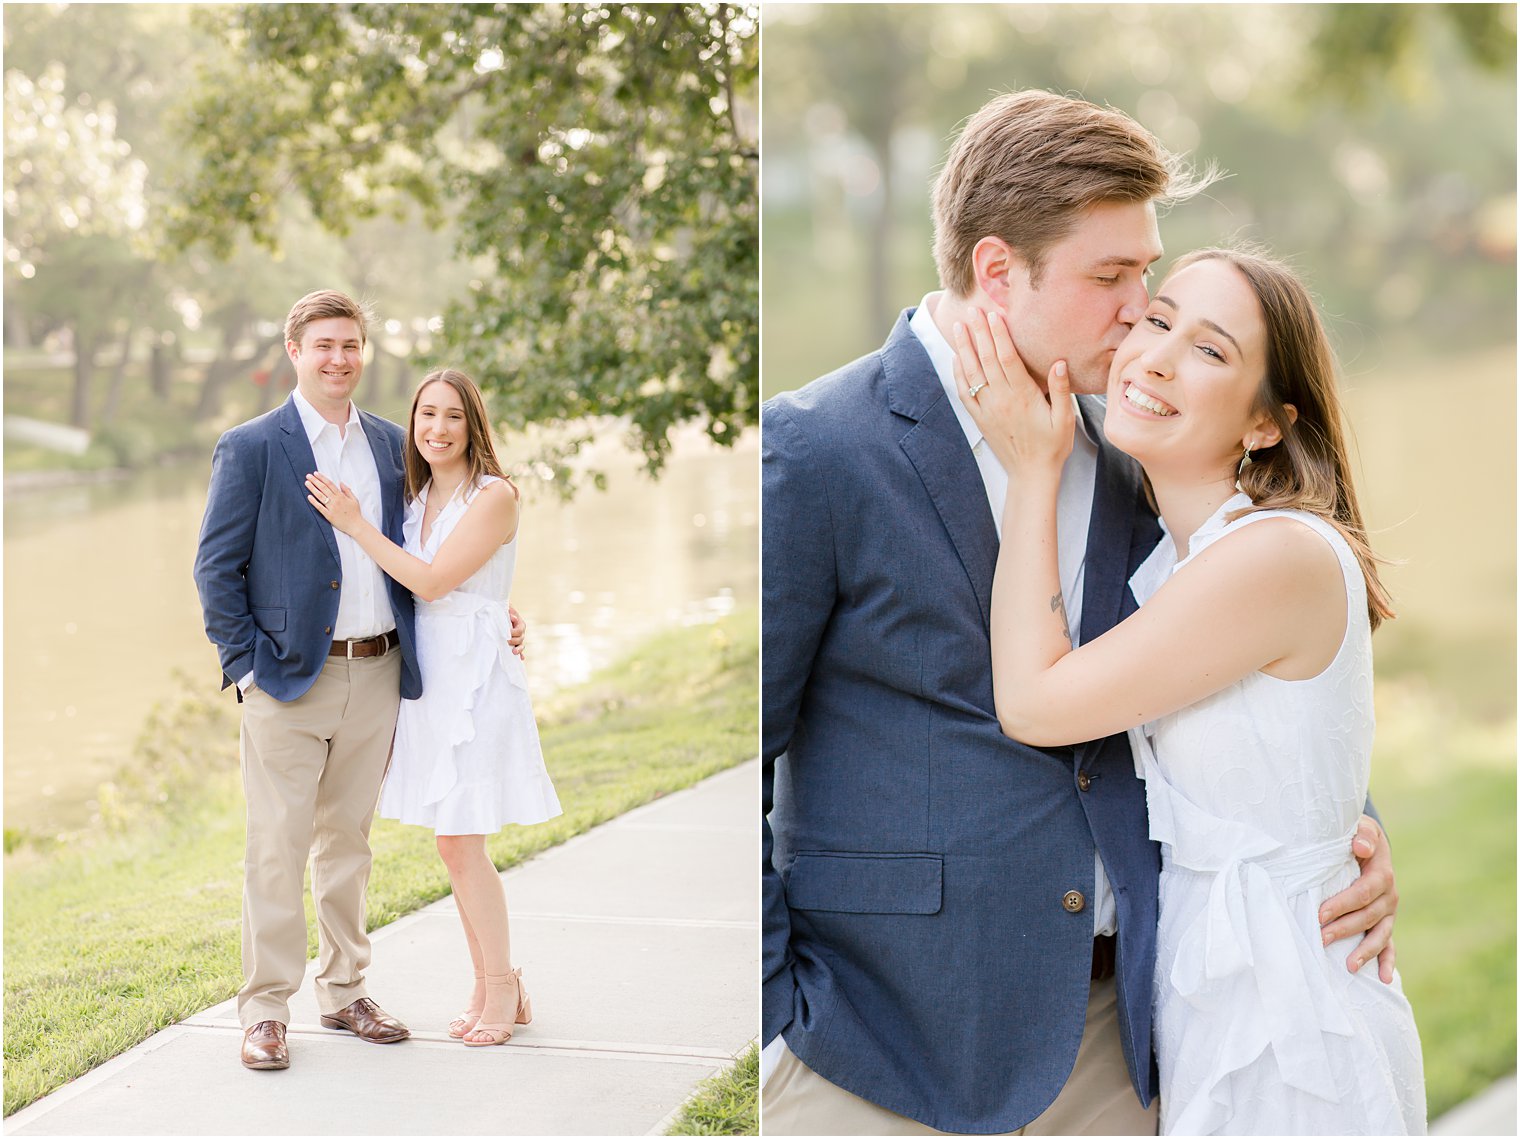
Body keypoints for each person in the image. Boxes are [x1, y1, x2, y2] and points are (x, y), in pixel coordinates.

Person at [761, 90, 1402, 1135]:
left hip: (1127, 1040)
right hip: (878, 1049)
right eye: (1111, 278)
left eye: (1144, 273)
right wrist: (776, 1006)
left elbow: (1233, 663)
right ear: (996, 270)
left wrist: (1345, 835)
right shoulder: (815, 447)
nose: (1136, 312)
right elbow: (743, 755)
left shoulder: (1139, 440)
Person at [952, 246, 1426, 1133]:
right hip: (1212, 994)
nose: (1157, 356)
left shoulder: (1274, 554)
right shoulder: (1181, 558)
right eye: (1159, 320)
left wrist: (1033, 468)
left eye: (1210, 351)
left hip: (1291, 1024)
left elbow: (1033, 703)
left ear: (1265, 425)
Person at [193, 290, 524, 1071]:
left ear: (363, 353)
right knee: (275, 845)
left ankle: (344, 992)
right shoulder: (252, 447)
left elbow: (440, 548)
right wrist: (247, 667)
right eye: (324, 345)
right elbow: (216, 568)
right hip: (287, 679)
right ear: (295, 352)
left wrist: (501, 611)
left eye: (351, 345)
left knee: (349, 843)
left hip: (379, 671)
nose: (339, 358)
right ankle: (266, 1010)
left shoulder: (391, 445)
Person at [305, 367, 561, 1048]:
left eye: (453, 416)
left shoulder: (495, 495)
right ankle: (492, 981)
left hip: (474, 679)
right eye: (427, 416)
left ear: (473, 424)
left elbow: (432, 579)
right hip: (429, 676)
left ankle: (501, 987)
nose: (438, 429)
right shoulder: (414, 499)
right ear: (413, 424)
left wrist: (355, 523)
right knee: (452, 846)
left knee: (463, 840)